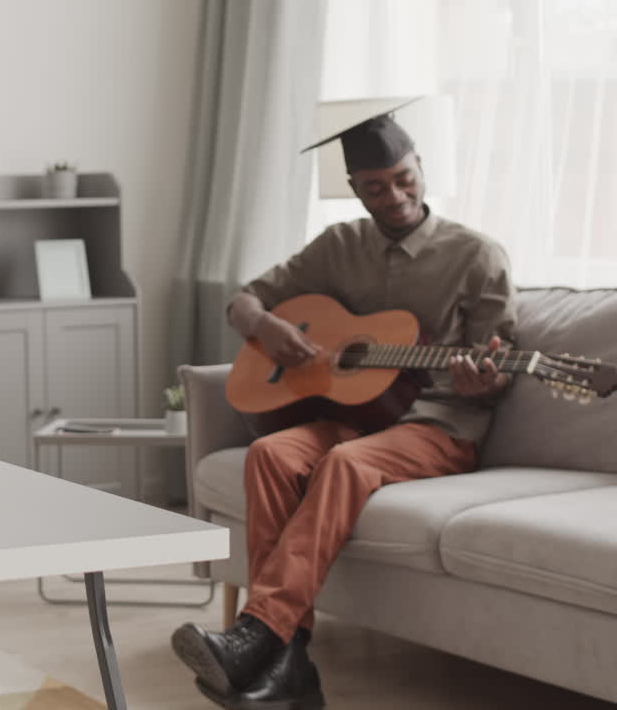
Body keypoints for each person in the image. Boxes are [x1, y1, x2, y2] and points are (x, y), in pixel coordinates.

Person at [171, 108, 516, 710]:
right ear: (355, 188)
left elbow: (495, 374)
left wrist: (477, 382)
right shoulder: (339, 245)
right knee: (271, 454)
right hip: (355, 417)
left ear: (421, 168)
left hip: (438, 424)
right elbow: (244, 301)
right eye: (377, 187)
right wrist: (266, 325)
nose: (396, 196)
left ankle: (259, 636)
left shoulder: (477, 256)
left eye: (405, 178)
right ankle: (290, 665)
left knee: (345, 464)